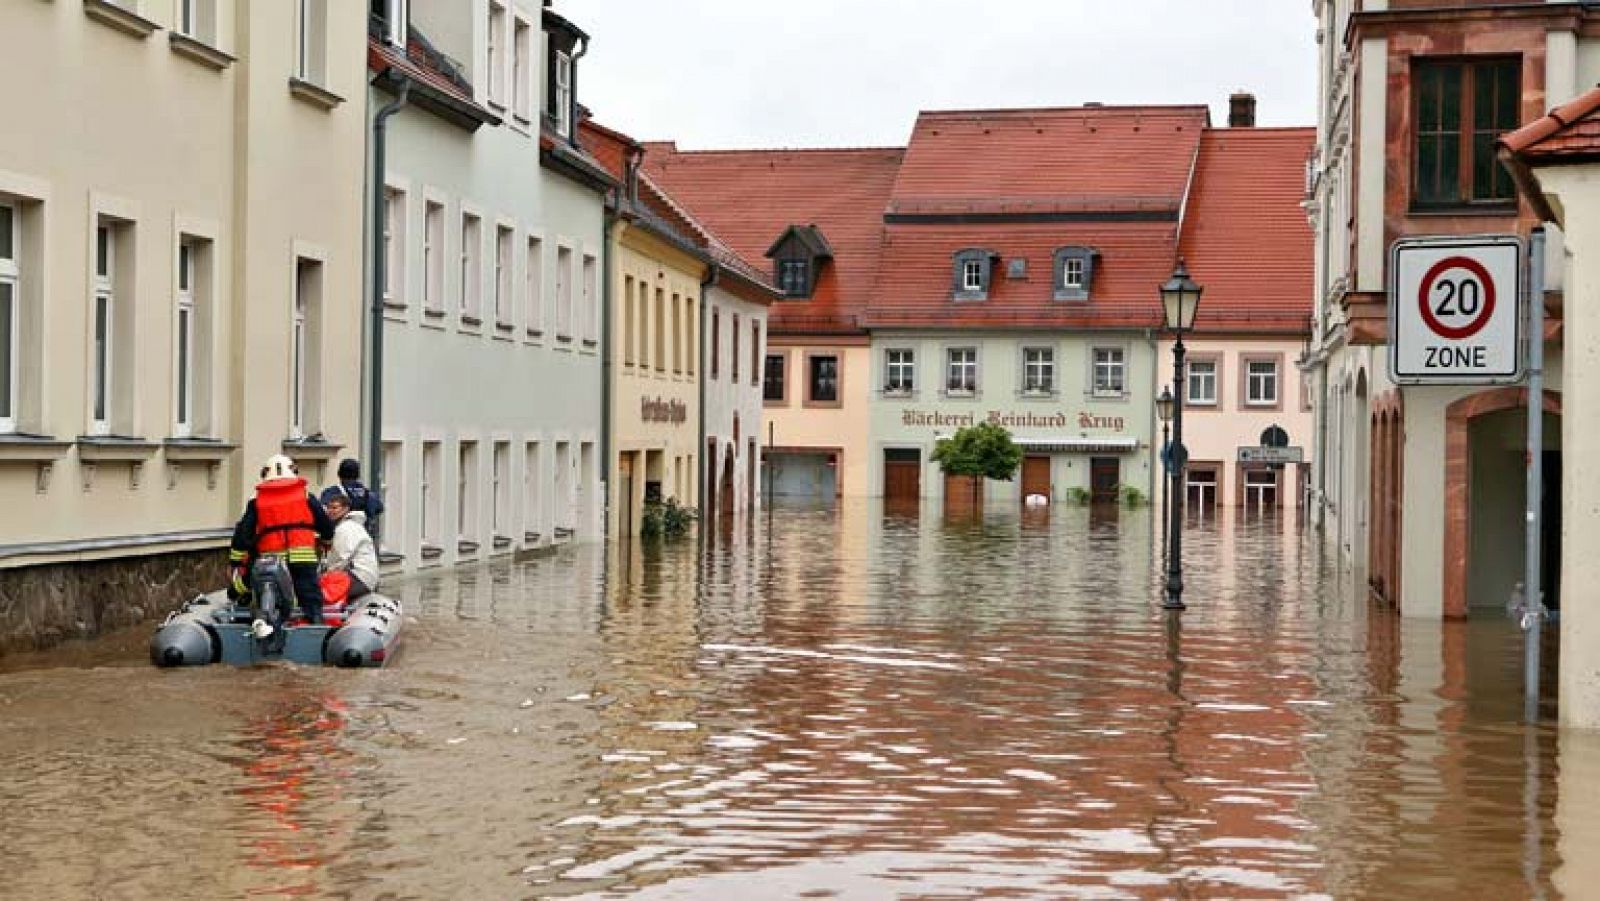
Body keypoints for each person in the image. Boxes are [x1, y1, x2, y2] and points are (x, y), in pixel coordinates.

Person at [229, 455, 334, 632]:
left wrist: (236, 560)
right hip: (303, 558)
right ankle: (316, 627)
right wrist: (326, 540)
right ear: (293, 471)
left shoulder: (257, 499)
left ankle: (267, 626)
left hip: (271, 559)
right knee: (309, 594)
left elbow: (243, 532)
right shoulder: (306, 495)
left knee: (269, 594)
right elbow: (324, 523)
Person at [318, 485, 379, 604]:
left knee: (317, 591)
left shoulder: (345, 528)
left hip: (358, 577)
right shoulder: (352, 525)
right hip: (366, 577)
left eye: (335, 508)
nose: (330, 511)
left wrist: (324, 576)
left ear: (346, 509)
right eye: (329, 507)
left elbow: (339, 558)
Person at [337, 458, 384, 539]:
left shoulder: (332, 492)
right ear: (358, 475)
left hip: (341, 537)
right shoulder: (369, 495)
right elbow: (379, 508)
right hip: (364, 538)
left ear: (339, 474)